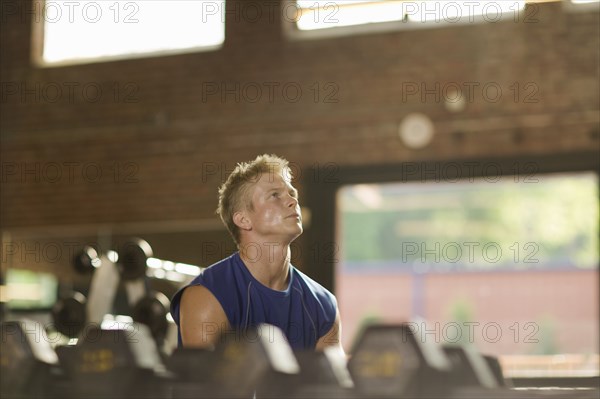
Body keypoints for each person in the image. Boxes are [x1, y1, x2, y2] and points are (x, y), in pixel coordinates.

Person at [170, 154, 343, 353]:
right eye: (275, 195)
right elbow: (209, 383)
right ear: (243, 220)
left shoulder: (323, 305)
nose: (292, 201)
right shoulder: (207, 296)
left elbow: (326, 383)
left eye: (291, 193)